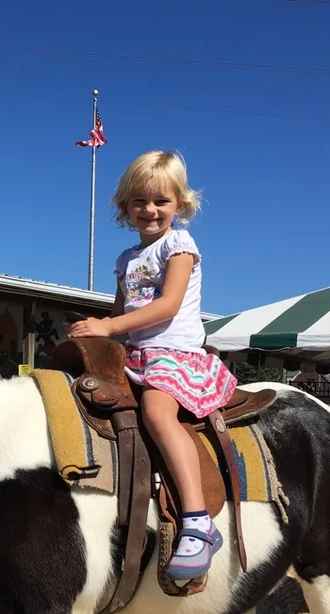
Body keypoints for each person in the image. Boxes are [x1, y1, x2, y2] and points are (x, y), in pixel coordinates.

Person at [67, 149, 237, 581]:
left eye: (161, 201)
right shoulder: (125, 260)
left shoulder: (179, 245)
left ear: (180, 204)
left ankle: (198, 521)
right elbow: (122, 321)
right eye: (140, 201)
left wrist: (106, 325)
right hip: (137, 358)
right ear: (125, 206)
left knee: (158, 413)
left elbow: (166, 306)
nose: (150, 210)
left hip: (174, 355)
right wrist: (96, 337)